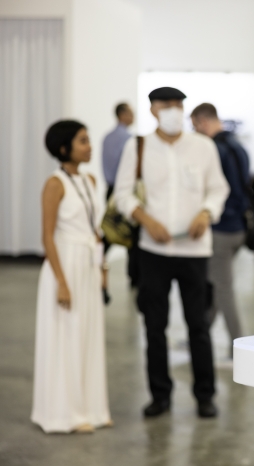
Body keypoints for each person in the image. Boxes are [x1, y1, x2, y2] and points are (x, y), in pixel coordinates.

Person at [113, 87, 230, 418]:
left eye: (179, 104)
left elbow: (218, 188)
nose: (174, 110)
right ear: (153, 110)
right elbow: (123, 195)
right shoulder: (138, 147)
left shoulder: (203, 146)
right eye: (166, 105)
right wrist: (147, 220)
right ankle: (159, 395)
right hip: (154, 251)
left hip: (195, 251)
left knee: (198, 325)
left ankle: (205, 395)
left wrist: (206, 212)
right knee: (155, 325)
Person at [32, 120, 112, 433]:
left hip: (88, 265)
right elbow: (47, 237)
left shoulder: (90, 180)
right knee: (66, 335)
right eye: (82, 141)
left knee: (88, 334)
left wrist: (102, 268)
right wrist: (61, 282)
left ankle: (92, 409)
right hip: (64, 264)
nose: (89, 146)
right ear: (64, 148)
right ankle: (64, 413)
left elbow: (95, 230)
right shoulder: (54, 184)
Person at [190, 103, 250, 354]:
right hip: (240, 228)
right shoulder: (238, 146)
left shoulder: (213, 149)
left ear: (203, 122)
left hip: (222, 229)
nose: (194, 131)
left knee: (223, 289)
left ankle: (238, 344)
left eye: (195, 126)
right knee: (216, 284)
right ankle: (200, 335)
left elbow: (215, 190)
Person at [101, 102, 136, 294]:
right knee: (130, 231)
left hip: (110, 189)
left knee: (110, 228)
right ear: (122, 114)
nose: (133, 116)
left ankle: (97, 259)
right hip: (123, 190)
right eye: (130, 113)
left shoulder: (107, 138)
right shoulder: (129, 139)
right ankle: (134, 277)